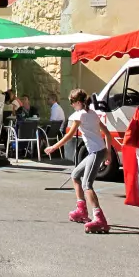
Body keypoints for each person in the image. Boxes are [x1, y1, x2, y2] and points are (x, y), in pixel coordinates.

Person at [45, 89, 111, 233]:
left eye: (73, 103)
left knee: (87, 184)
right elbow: (106, 133)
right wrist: (108, 153)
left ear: (79, 103)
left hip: (95, 153)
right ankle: (81, 210)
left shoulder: (79, 115)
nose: (72, 105)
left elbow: (69, 135)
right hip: (99, 151)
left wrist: (54, 147)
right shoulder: (92, 113)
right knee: (75, 175)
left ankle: (99, 218)